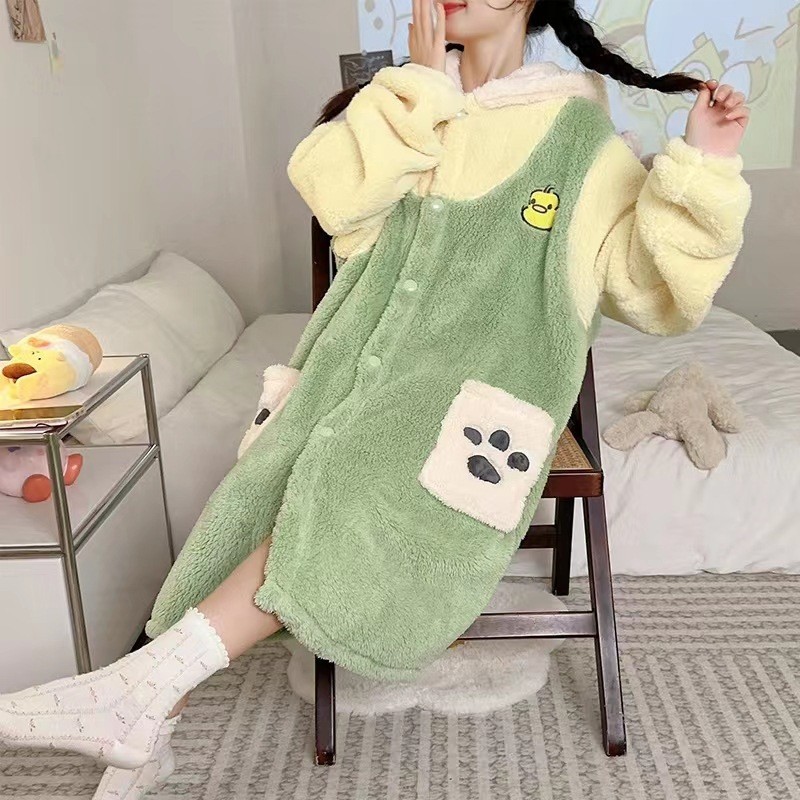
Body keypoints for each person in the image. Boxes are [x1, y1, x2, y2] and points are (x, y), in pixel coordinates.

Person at [0, 1, 752, 796]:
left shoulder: (577, 138)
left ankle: (133, 695)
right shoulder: (410, 100)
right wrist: (422, 86)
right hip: (347, 376)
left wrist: (704, 165)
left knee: (351, 489)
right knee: (254, 507)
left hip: (464, 413)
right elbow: (330, 193)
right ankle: (147, 726)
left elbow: (652, 292)